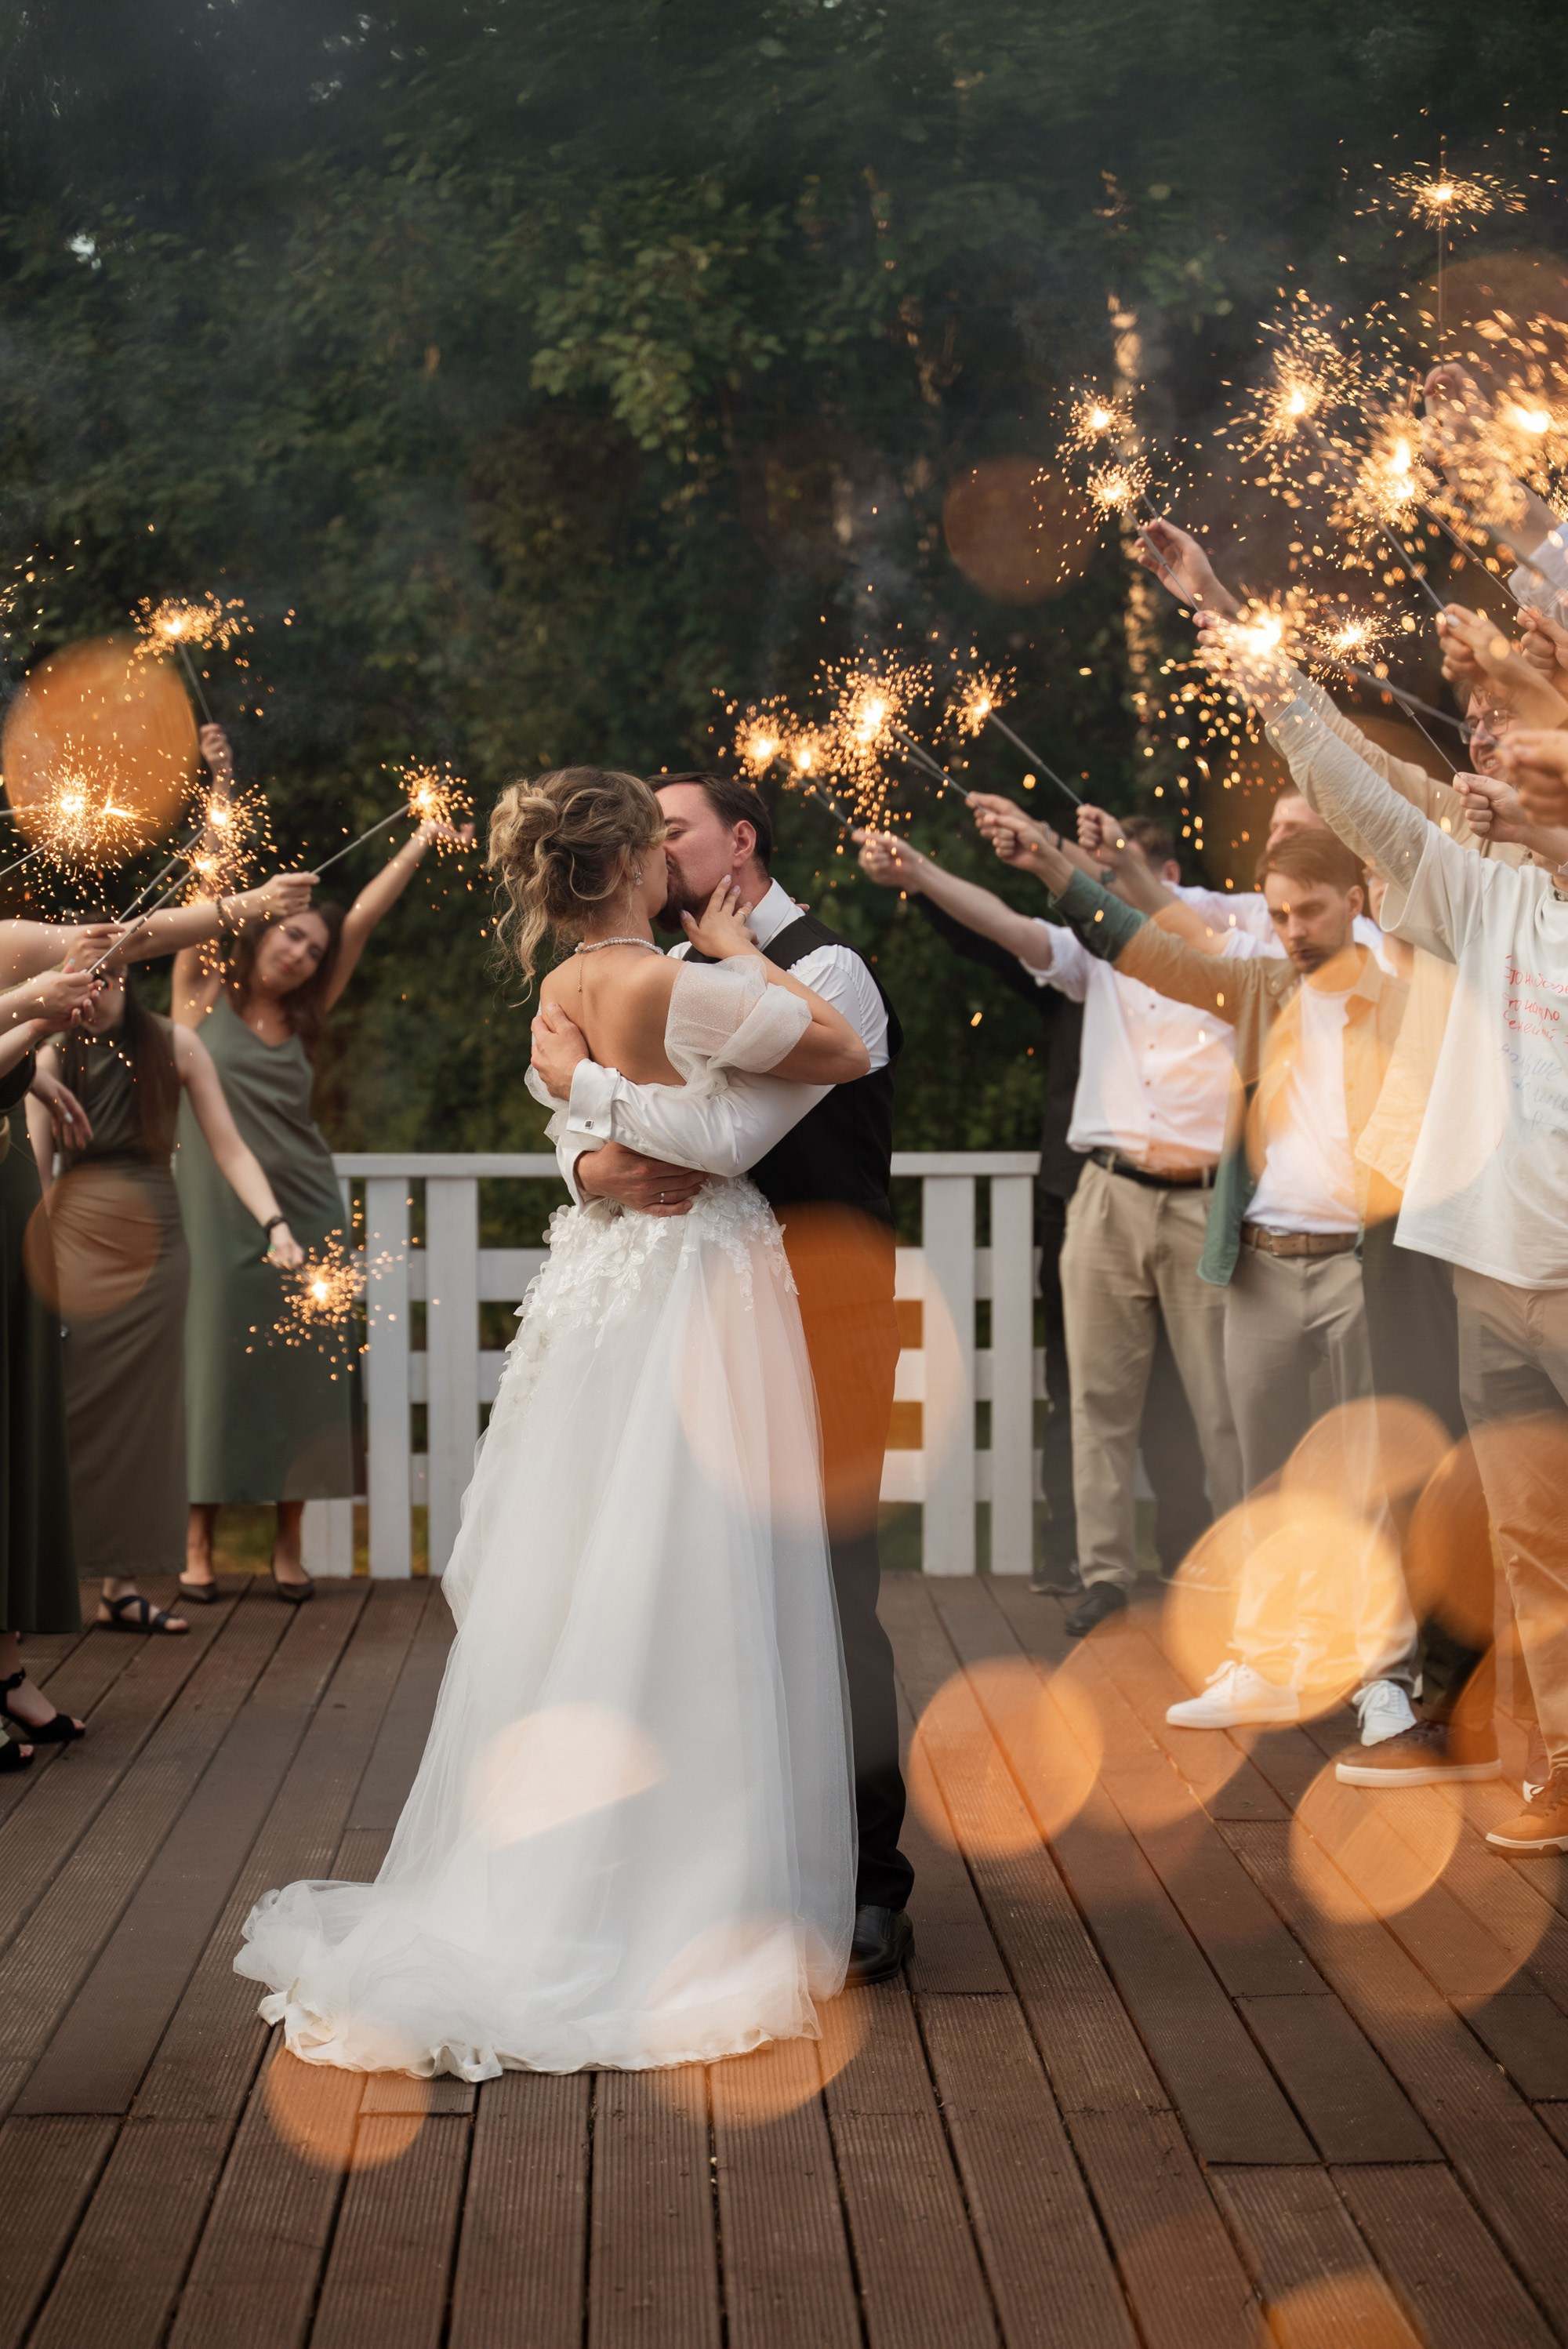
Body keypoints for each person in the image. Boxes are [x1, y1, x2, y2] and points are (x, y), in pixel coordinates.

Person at [237, 765, 866, 2075]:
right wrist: (744, 955)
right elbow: (830, 1055)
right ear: (636, 857)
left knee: (609, 1552)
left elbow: (651, 1116)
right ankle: (688, 1878)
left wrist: (584, 1108)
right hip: (689, 1277)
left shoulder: (562, 992)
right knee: (692, 1555)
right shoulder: (662, 979)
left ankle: (614, 1848)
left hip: (613, 1276)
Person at [528, 771, 916, 1984]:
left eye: (677, 825)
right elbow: (594, 1144)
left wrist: (574, 1086)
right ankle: (706, 1860)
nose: (661, 843)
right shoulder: (661, 977)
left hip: (826, 1311)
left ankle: (864, 1882)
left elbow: (729, 1139)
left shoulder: (830, 973)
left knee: (833, 1603)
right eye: (646, 833)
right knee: (684, 1584)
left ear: (736, 843)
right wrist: (588, 1164)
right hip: (703, 1311)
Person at [1212, 628, 1568, 1853]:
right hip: (1495, 1265)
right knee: (1529, 1540)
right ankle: (1554, 1762)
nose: (1491, 749)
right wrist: (1259, 661)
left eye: (1516, 726)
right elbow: (1368, 800)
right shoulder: (1488, 889)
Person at [981, 808, 1421, 1746]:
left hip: (1357, 1267)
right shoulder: (1261, 985)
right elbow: (1149, 951)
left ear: (1356, 902)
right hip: (1261, 1263)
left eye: (1308, 912)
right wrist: (1054, 865)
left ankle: (1384, 1673)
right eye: (1278, 913)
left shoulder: (1400, 989)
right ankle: (1267, 1657)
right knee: (1261, 1480)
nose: (1291, 930)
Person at [873, 805, 1244, 1639]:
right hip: (1104, 1194)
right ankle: (1104, 1571)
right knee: (1095, 1396)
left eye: (1112, 881)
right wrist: (919, 873)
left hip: (1200, 1196)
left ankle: (1239, 1575)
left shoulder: (1230, 926)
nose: (1098, 900)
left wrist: (1084, 862)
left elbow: (1161, 915)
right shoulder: (1097, 954)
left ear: (1165, 875)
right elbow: (1007, 926)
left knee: (1217, 1403)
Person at [0, 882, 312, 1750]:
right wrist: (34, 1019)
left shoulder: (165, 1042)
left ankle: (50, 1638)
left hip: (116, 1234)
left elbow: (129, 937)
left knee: (80, 1431)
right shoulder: (45, 1022)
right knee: (42, 1424)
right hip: (64, 1237)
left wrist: (246, 900)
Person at [173, 764, 466, 1603]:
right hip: (210, 1208)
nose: (301, 951)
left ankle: (287, 1545)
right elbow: (205, 885)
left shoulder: (307, 1015)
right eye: (290, 934)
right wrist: (222, 794)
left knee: (303, 1369)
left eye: (312, 946)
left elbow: (365, 914)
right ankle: (194, 1543)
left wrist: (417, 836)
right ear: (260, 928)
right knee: (211, 1369)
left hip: (304, 1201)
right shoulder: (197, 993)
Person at [26, 968, 303, 1640]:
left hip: (155, 1243)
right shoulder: (52, 1052)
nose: (88, 998)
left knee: (146, 1420)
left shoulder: (175, 1043)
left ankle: (122, 1588)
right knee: (60, 1412)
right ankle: (34, 1591)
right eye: (74, 986)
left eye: (99, 982)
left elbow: (229, 1145)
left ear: (122, 976)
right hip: (76, 1233)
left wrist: (276, 1224)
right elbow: (35, 1167)